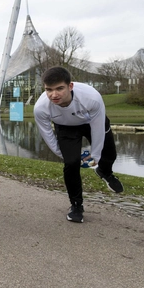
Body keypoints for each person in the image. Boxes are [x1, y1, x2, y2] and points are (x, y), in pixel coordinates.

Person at [34, 66, 123, 224]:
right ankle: (76, 205)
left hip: (91, 122)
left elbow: (97, 129)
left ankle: (105, 172)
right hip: (66, 127)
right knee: (71, 163)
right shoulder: (40, 108)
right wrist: (64, 155)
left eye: (59, 89)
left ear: (70, 86)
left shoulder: (92, 98)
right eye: (49, 90)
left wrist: (95, 156)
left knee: (109, 154)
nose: (54, 95)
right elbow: (48, 135)